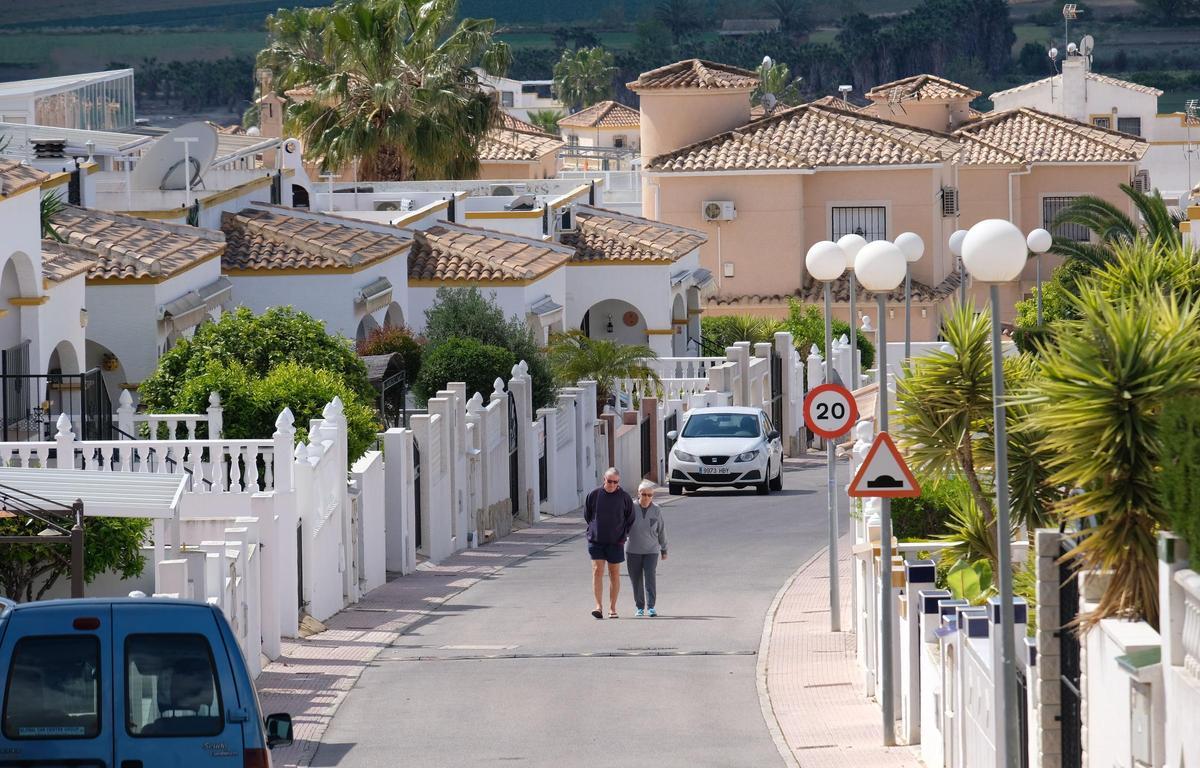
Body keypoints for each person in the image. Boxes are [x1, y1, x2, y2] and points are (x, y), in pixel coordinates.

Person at [585, 467, 634, 619]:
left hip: (616, 541)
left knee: (614, 573)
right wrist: (594, 528)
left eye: (616, 482)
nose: (612, 485)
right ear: (604, 479)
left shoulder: (624, 497)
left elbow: (630, 518)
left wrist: (622, 535)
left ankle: (613, 608)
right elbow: (588, 515)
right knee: (597, 571)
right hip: (596, 540)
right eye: (610, 481)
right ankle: (598, 606)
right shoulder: (594, 495)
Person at [626, 480, 668, 617]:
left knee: (650, 576)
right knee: (636, 579)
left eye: (650, 495)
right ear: (638, 494)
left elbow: (661, 530)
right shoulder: (630, 508)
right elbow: (622, 527)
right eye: (644, 495)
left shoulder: (656, 509)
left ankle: (651, 607)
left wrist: (664, 549)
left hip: (651, 550)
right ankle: (639, 607)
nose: (647, 498)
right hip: (633, 550)